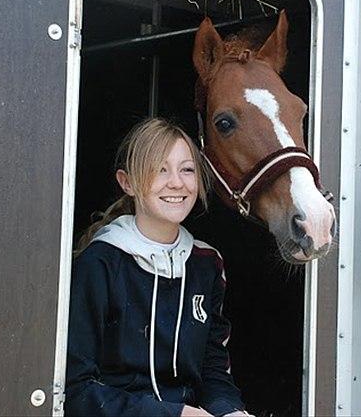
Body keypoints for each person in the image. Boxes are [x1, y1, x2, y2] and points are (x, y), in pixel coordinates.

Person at [65, 118, 249, 417]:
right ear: (128, 183)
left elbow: (211, 368)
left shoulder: (207, 264)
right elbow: (75, 388)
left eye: (187, 169)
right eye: (160, 169)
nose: (176, 182)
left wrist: (229, 411)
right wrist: (176, 415)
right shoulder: (99, 263)